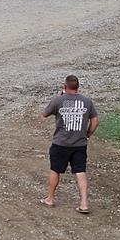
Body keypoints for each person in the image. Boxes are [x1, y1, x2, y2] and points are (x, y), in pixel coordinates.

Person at [40, 75, 99, 214]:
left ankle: (50, 198)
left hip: (60, 143)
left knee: (56, 170)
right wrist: (87, 134)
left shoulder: (58, 100)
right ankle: (84, 203)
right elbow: (95, 121)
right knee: (80, 171)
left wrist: (59, 98)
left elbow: (43, 115)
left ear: (64, 86)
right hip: (79, 143)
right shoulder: (87, 101)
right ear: (78, 87)